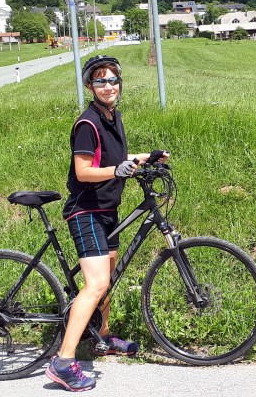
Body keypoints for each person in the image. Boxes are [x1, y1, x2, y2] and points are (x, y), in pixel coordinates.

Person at [46, 55, 169, 392]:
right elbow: (84, 171)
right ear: (90, 86)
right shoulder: (88, 124)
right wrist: (116, 170)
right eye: (100, 80)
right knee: (96, 284)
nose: (108, 86)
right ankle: (62, 362)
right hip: (86, 211)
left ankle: (102, 337)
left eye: (113, 79)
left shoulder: (112, 117)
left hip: (106, 209)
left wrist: (145, 158)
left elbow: (114, 159)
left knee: (107, 281)